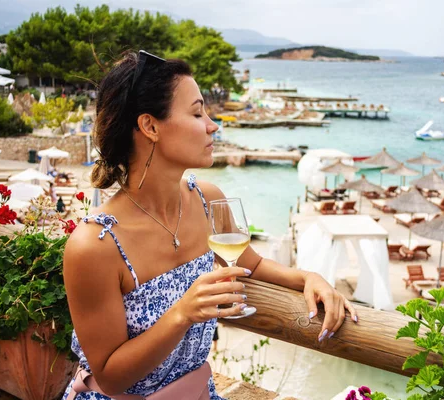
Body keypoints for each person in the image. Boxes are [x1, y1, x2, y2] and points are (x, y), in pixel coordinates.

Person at [61, 51, 358, 400]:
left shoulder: (206, 199)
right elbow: (110, 378)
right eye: (197, 112)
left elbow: (252, 264)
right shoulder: (95, 245)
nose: (212, 125)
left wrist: (309, 278)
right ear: (150, 126)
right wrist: (182, 314)